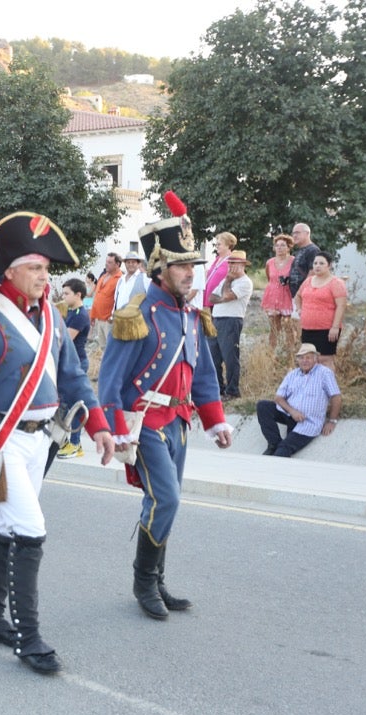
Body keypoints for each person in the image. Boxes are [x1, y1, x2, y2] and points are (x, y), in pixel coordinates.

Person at [0, 213, 115, 675]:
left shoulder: (52, 316)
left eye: (46, 268)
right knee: (31, 530)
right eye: (35, 266)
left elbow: (73, 377)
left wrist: (99, 427)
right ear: (10, 270)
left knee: (8, 528)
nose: (44, 275)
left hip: (41, 441)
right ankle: (28, 637)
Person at [96, 191, 232, 621]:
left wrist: (216, 421)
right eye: (181, 265)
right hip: (147, 421)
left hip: (179, 421)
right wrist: (115, 427)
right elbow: (110, 381)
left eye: (193, 265)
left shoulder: (193, 316)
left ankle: (157, 580)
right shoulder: (135, 314)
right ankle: (142, 583)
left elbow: (204, 374)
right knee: (167, 499)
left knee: (164, 502)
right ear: (159, 268)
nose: (190, 273)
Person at [256, 343, 342, 458]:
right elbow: (278, 398)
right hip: (290, 414)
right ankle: (274, 443)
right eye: (301, 357)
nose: (304, 361)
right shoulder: (293, 374)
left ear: (315, 359)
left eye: (308, 357)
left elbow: (336, 396)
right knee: (263, 406)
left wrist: (332, 421)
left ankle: (277, 457)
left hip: (308, 422)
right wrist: (292, 411)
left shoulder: (324, 373)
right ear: (297, 360)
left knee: (283, 451)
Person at [208, 249, 253, 400]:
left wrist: (227, 282)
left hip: (231, 319)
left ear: (243, 266)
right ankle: (219, 389)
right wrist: (223, 295)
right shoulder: (226, 280)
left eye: (235, 264)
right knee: (214, 357)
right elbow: (212, 298)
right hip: (217, 318)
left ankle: (232, 390)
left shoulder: (244, 282)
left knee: (230, 357)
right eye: (230, 263)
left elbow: (227, 296)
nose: (232, 267)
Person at [57, 277, 91, 459]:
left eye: (67, 293)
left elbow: (64, 340)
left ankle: (76, 444)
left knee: (75, 405)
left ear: (78, 294)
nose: (63, 297)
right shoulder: (71, 311)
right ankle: (65, 441)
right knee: (65, 403)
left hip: (77, 363)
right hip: (70, 363)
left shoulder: (80, 315)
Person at [296, 251, 347, 371]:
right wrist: (299, 309)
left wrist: (335, 327)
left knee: (325, 359)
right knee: (308, 359)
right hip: (307, 328)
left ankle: (329, 388)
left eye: (321, 263)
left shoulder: (336, 283)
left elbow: (341, 306)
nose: (317, 266)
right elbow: (298, 296)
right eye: (315, 263)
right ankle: (313, 388)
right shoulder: (308, 281)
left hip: (327, 329)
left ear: (329, 265)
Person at [262, 234, 296, 353]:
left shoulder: (293, 260)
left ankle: (291, 352)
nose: (280, 248)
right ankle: (271, 353)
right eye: (277, 245)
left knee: (289, 326)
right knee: (274, 327)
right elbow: (269, 277)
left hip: (287, 294)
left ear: (288, 247)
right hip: (273, 295)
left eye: (283, 245)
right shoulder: (270, 262)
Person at [89, 253, 122, 348]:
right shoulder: (103, 277)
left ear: (117, 264)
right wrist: (92, 315)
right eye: (106, 262)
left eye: (110, 262)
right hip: (99, 319)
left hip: (110, 321)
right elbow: (97, 297)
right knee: (102, 348)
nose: (106, 264)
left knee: (112, 349)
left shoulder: (120, 279)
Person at [201, 232, 236, 310]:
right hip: (209, 298)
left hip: (219, 301)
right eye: (216, 244)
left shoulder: (231, 261)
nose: (216, 246)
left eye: (219, 244)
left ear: (228, 245)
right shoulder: (217, 259)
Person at [287, 223, 320, 299]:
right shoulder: (300, 250)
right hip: (296, 296)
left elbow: (313, 273)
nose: (294, 235)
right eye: (293, 233)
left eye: (297, 233)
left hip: (304, 296)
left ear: (307, 233)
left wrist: (302, 293)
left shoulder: (313, 250)